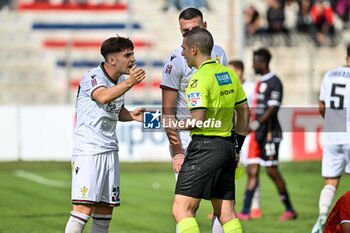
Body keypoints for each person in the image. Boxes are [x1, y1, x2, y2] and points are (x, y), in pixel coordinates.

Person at [169, 27, 250, 233]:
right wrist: (237, 146)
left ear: (194, 49)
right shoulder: (229, 74)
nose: (182, 53)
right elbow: (244, 112)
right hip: (227, 148)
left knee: (182, 210)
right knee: (226, 213)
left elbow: (197, 120)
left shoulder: (198, 80)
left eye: (184, 48)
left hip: (204, 148)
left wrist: (176, 123)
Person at [65, 36, 146, 233]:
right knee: (83, 209)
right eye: (127, 55)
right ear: (111, 60)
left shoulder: (120, 81)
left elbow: (114, 110)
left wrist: (131, 116)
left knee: (105, 211)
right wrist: (130, 84)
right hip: (89, 151)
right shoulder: (93, 77)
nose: (133, 59)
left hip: (110, 149)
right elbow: (102, 97)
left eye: (133, 53)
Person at [160, 7, 227, 233]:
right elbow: (167, 110)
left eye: (194, 29)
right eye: (184, 31)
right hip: (189, 142)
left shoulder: (220, 53)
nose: (188, 35)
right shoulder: (176, 60)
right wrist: (177, 150)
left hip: (217, 137)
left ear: (205, 27)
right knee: (188, 206)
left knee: (221, 206)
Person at [237, 48, 297, 221]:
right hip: (257, 135)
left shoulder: (274, 81)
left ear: (262, 62)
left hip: (270, 133)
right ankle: (246, 211)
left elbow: (272, 109)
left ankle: (289, 209)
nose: (252, 65)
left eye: (255, 61)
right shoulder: (259, 82)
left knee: (271, 171)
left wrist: (254, 124)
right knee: (252, 169)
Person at [311, 44, 350, 233]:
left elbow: (321, 106)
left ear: (346, 56)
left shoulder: (330, 75)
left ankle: (322, 218)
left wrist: (334, 122)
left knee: (331, 181)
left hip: (334, 134)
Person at [228, 60, 262, 219]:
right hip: (233, 133)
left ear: (240, 72)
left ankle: (255, 206)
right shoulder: (228, 86)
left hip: (249, 134)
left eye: (232, 70)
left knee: (251, 169)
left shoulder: (251, 88)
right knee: (230, 169)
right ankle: (225, 206)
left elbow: (256, 109)